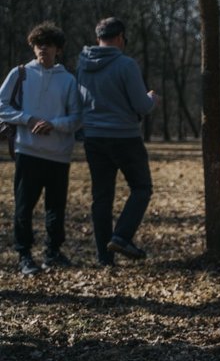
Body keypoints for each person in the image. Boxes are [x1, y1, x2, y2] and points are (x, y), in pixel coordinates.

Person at [0, 22, 83, 276]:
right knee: (24, 207)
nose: (43, 48)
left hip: (59, 155)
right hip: (28, 152)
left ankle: (52, 253)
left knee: (55, 207)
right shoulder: (20, 74)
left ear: (58, 49)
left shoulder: (68, 80)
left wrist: (54, 124)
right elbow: (1, 106)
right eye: (38, 44)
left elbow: (77, 118)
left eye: (49, 44)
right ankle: (24, 255)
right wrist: (29, 119)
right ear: (33, 47)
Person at [76, 17, 159, 266]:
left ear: (98, 37)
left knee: (102, 197)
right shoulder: (126, 64)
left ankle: (105, 258)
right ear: (121, 37)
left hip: (94, 138)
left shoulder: (82, 65)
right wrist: (152, 98)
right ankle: (122, 236)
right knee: (142, 188)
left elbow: (80, 101)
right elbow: (141, 106)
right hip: (124, 138)